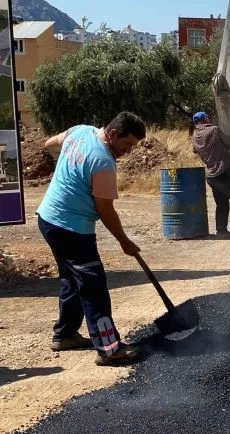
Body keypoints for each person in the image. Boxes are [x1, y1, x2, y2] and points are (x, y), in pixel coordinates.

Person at [37, 112, 147, 366]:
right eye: (126, 144)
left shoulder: (80, 130)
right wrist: (124, 241)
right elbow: (105, 210)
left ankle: (65, 335)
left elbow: (49, 144)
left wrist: (70, 165)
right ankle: (109, 349)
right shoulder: (103, 162)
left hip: (48, 218)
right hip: (71, 229)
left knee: (72, 278)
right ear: (112, 134)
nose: (128, 151)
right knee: (93, 286)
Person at [190, 111, 230, 238]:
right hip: (223, 172)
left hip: (211, 176)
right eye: (207, 118)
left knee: (221, 203)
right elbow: (229, 144)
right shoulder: (214, 130)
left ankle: (221, 231)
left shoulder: (194, 135)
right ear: (205, 119)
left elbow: (195, 150)